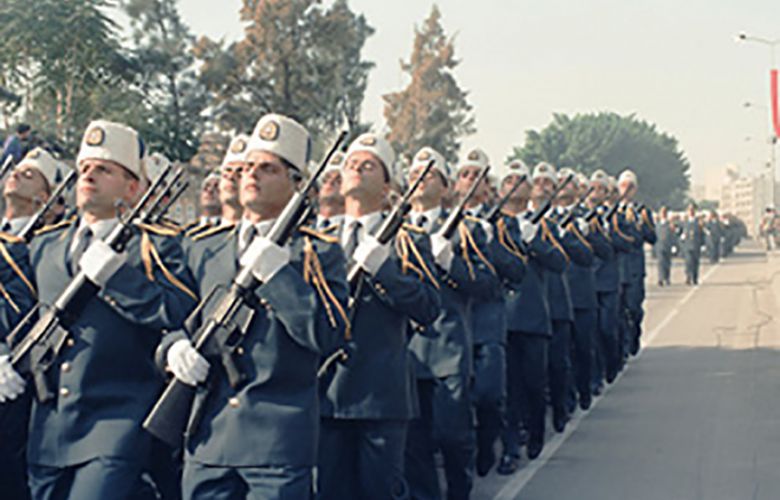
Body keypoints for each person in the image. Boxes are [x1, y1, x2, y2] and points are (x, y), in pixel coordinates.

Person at [0, 119, 197, 500]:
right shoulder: (44, 244)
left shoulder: (152, 246)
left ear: (132, 188)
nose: (89, 176)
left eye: (104, 170)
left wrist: (119, 277)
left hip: (115, 422)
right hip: (49, 426)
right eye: (85, 168)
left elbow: (178, 312)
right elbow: (18, 311)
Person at [158, 113, 349, 499]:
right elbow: (171, 318)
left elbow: (329, 335)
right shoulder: (205, 247)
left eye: (268, 168)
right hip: (209, 440)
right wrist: (173, 348)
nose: (251, 175)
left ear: (297, 184)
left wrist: (280, 277)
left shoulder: (316, 252)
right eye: (247, 167)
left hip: (277, 445)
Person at [317, 132, 441, 500]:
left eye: (368, 165)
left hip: (381, 393)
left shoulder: (408, 239)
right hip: (327, 390)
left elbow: (428, 307)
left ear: (387, 186)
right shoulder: (318, 239)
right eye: (351, 164)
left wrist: (385, 270)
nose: (357, 169)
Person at [404, 146, 496, 499]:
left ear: (445, 187)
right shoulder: (392, 229)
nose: (420, 180)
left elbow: (486, 285)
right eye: (415, 175)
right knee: (414, 445)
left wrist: (451, 263)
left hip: (447, 350)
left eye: (429, 176)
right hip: (406, 350)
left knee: (452, 437)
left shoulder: (465, 229)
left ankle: (459, 491)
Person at [1, 147, 65, 235]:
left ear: (42, 196)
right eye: (14, 170)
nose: (14, 175)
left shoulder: (39, 240)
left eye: (27, 175)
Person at [316, 151, 345, 231]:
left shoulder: (352, 233)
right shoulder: (298, 225)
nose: (330, 182)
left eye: (339, 180)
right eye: (326, 178)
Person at [681, 202, 704, 285]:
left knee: (695, 262)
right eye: (689, 209)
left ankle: (694, 277)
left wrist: (703, 245)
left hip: (696, 244)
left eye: (692, 209)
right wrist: (681, 238)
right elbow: (679, 232)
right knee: (688, 262)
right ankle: (688, 277)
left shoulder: (698, 222)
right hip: (687, 245)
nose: (691, 211)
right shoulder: (684, 222)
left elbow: (702, 234)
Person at [655, 206, 674, 286]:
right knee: (660, 262)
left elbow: (673, 236)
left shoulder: (669, 224)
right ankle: (660, 278)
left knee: (667, 262)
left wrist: (674, 245)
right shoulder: (657, 224)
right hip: (659, 246)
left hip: (668, 245)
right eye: (662, 212)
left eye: (664, 212)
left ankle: (667, 277)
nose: (663, 214)